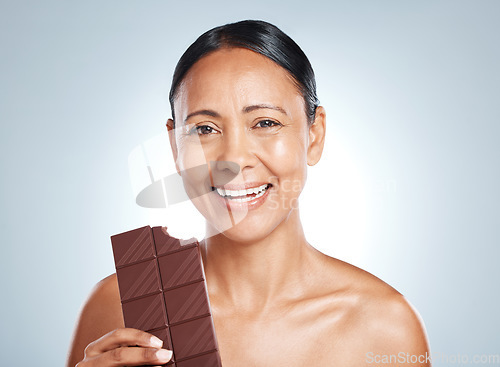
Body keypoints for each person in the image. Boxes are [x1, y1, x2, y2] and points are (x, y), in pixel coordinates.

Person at [67, 20, 431, 367]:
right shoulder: (119, 305)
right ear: (174, 146)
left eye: (266, 123)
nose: (234, 160)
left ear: (314, 135)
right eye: (205, 129)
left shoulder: (385, 327)